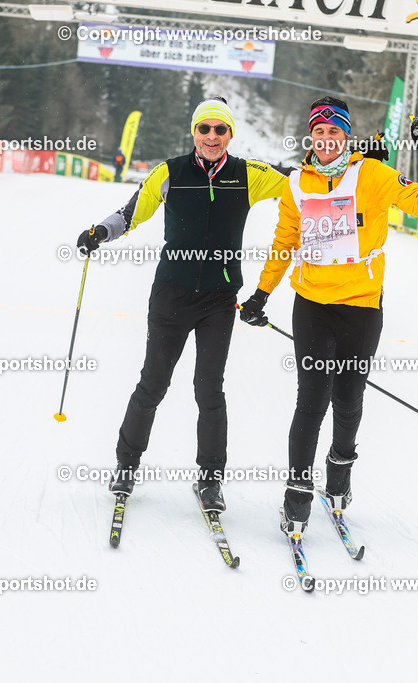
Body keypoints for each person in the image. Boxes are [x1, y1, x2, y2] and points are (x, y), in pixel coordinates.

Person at [238, 96, 418, 537]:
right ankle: (296, 495)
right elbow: (284, 242)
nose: (327, 139)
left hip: (361, 305)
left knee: (348, 398)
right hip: (311, 303)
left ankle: (339, 472)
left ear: (346, 135)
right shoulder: (297, 182)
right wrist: (261, 293)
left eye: (335, 132)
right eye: (319, 132)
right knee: (310, 400)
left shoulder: (372, 174)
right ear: (310, 136)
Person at [77, 97, 287, 511]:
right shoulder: (169, 172)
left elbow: (305, 182)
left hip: (219, 300)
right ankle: (126, 466)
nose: (212, 136)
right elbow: (131, 211)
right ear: (194, 132)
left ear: (231, 134)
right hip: (172, 295)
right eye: (204, 128)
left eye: (220, 129)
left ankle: (210, 480)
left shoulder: (250, 175)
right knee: (153, 383)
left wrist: (356, 163)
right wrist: (100, 231)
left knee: (209, 390)